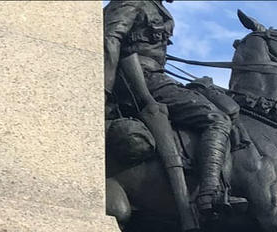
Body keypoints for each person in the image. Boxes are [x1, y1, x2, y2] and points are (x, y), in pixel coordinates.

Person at [103, 0, 244, 219]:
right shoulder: (132, 2)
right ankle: (209, 192)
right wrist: (105, 89)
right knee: (217, 119)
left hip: (155, 75)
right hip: (139, 78)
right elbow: (109, 39)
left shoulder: (156, 7)